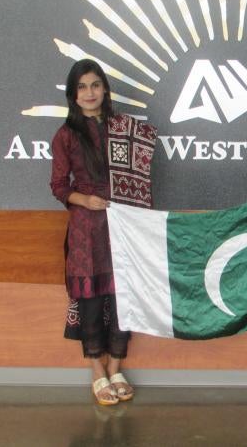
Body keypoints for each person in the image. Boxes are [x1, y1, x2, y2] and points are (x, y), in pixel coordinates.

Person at [50, 59, 157, 406]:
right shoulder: (66, 135)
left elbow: (142, 163)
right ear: (72, 94)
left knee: (123, 297)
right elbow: (58, 186)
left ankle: (116, 367)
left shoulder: (122, 127)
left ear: (105, 89)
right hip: (87, 228)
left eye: (95, 85)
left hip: (124, 223)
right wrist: (86, 200)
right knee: (92, 301)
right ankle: (97, 371)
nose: (90, 92)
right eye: (81, 87)